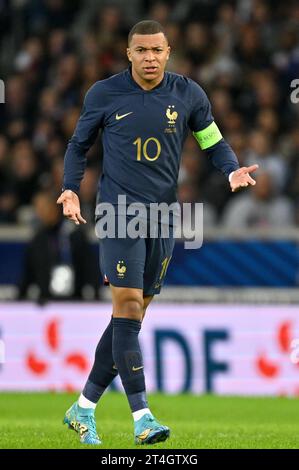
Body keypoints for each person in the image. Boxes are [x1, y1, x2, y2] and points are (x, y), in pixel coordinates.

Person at [57, 20, 258, 446]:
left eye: (157, 50)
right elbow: (78, 145)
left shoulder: (188, 94)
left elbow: (211, 138)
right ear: (128, 54)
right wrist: (71, 190)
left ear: (169, 53)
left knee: (130, 318)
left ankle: (84, 406)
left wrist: (231, 168)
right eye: (141, 50)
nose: (150, 57)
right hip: (117, 212)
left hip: (165, 215)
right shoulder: (104, 94)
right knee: (128, 307)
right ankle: (143, 417)